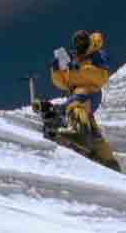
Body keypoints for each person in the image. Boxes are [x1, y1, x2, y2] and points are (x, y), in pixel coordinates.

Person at [36, 30, 121, 172]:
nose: (80, 45)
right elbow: (64, 83)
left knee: (76, 102)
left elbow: (102, 77)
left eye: (82, 41)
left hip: (90, 91)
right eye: (77, 43)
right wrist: (56, 70)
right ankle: (108, 161)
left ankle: (79, 133)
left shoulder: (96, 54)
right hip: (77, 93)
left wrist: (81, 68)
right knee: (89, 123)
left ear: (88, 41)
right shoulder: (75, 60)